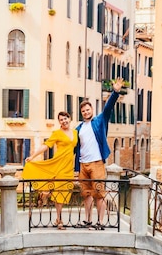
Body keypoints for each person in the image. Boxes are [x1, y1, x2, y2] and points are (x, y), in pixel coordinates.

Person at [74, 77, 124, 230]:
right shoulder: (78, 128)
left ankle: (100, 222)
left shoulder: (100, 120)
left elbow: (108, 108)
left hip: (97, 163)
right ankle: (88, 220)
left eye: (87, 110)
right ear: (81, 113)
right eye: (83, 111)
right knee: (86, 194)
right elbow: (74, 148)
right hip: (83, 164)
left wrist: (115, 92)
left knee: (99, 194)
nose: (85, 112)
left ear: (92, 111)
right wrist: (75, 168)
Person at [22, 111, 78, 230]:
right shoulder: (56, 133)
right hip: (58, 164)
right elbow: (46, 146)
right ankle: (59, 220)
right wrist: (32, 156)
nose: (64, 121)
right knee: (59, 193)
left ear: (70, 118)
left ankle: (46, 194)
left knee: (64, 192)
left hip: (69, 167)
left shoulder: (75, 133)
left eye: (65, 118)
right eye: (61, 120)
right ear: (59, 122)